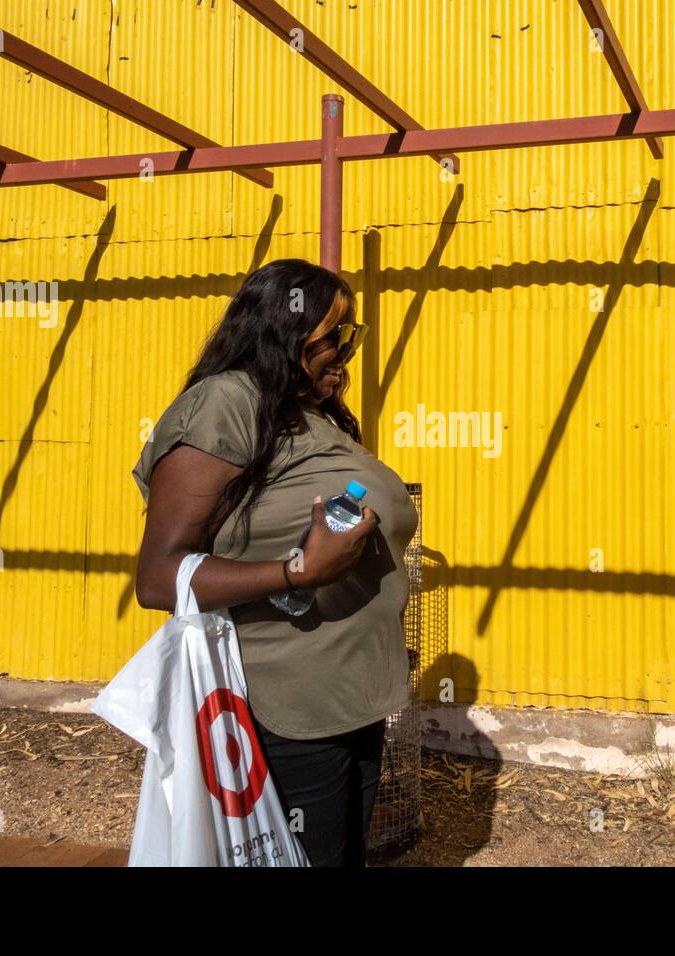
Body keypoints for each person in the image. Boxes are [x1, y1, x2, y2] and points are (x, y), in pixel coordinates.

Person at [131, 258, 419, 867]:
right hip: (284, 703)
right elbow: (160, 577)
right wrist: (298, 574)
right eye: (331, 338)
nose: (345, 351)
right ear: (278, 333)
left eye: (351, 336)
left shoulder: (306, 414)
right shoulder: (224, 402)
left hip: (349, 694)